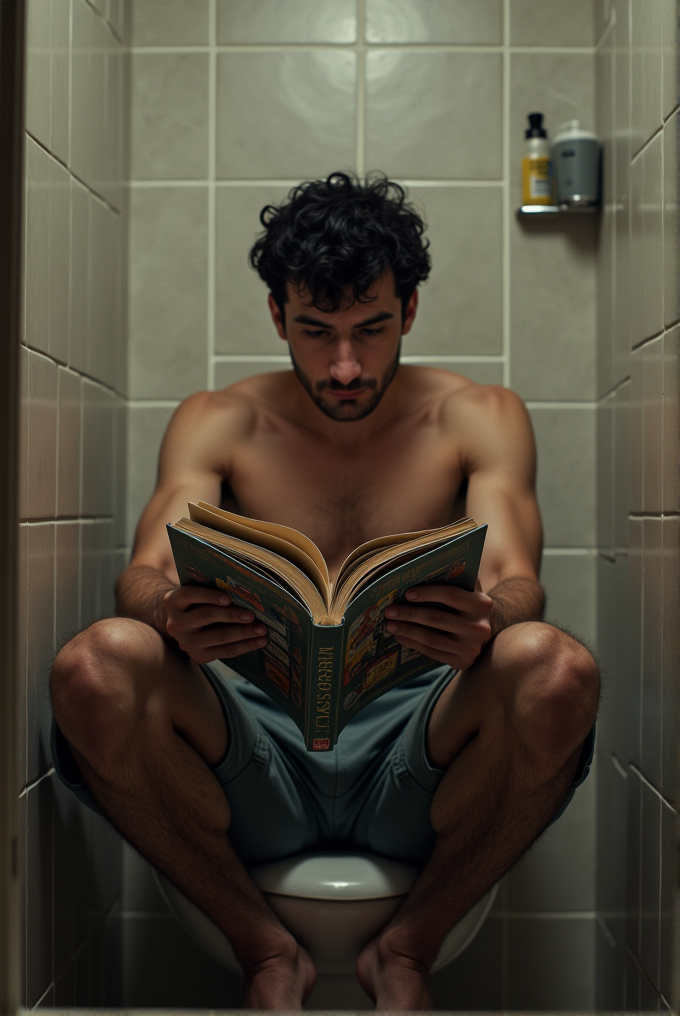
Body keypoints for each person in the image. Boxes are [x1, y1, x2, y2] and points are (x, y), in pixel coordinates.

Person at [50, 172, 599, 1011]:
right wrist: (166, 611)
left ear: (409, 310)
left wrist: (490, 620)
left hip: (416, 755)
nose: (345, 365)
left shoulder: (478, 415)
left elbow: (518, 579)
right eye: (316, 331)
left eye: (372, 328)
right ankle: (265, 951)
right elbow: (141, 574)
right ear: (277, 317)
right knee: (97, 663)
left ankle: (407, 949)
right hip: (260, 756)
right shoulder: (219, 420)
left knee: (554, 668)